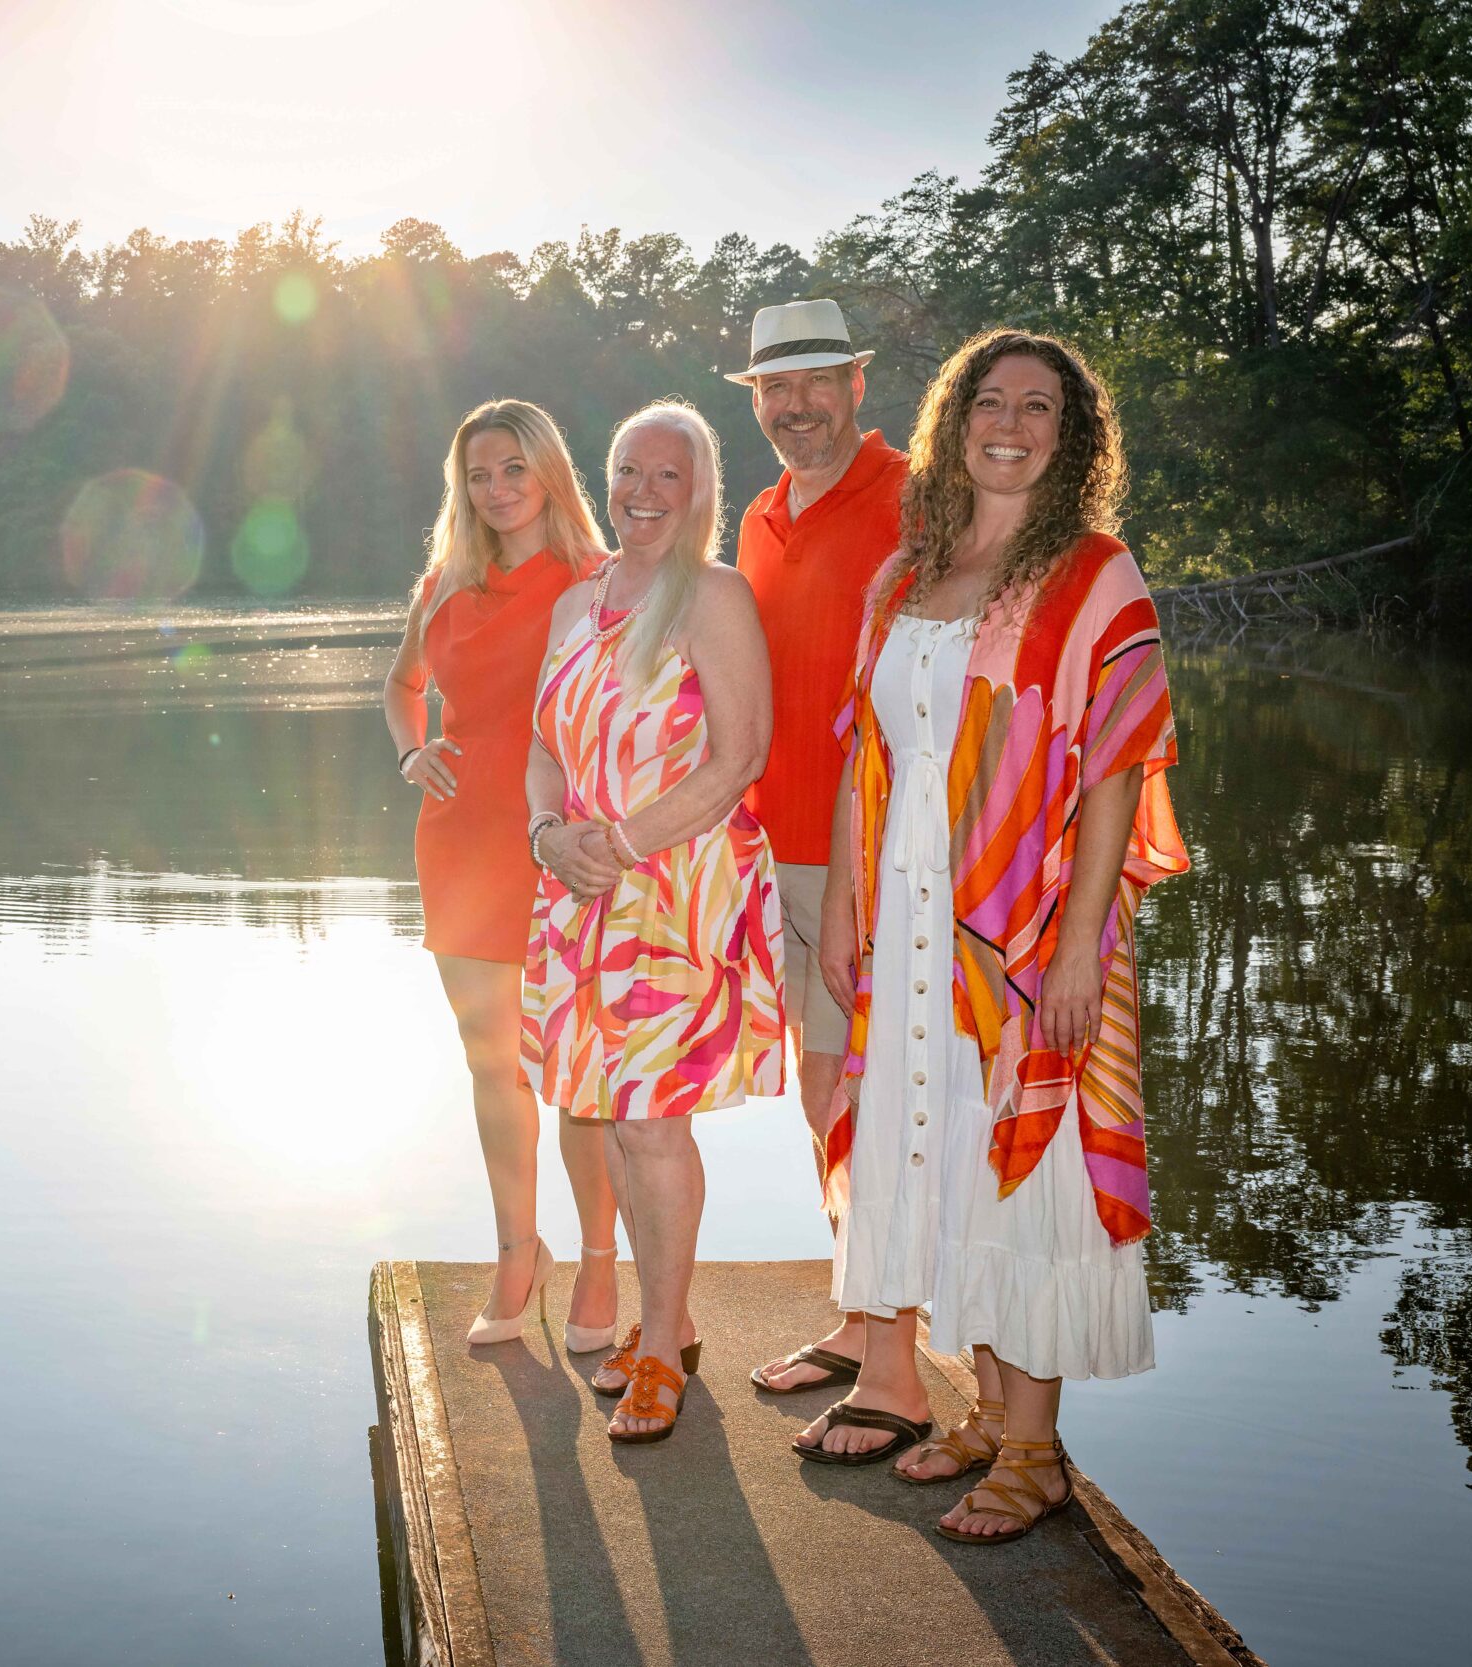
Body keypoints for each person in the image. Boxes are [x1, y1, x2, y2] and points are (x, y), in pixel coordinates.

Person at [789, 329, 1189, 1549]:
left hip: (1020, 924)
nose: (1009, 423)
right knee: (938, 1143)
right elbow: (872, 752)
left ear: (1070, 441)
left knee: (1029, 1156)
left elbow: (1118, 769)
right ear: (953, 422)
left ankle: (1036, 1447)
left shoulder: (1095, 571)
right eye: (989, 402)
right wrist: (847, 911)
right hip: (908, 916)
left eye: (1039, 408)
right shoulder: (902, 573)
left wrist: (1076, 948)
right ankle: (981, 1409)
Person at [521, 400, 786, 1442]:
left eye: (665, 475)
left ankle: (666, 1343)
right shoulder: (575, 604)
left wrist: (620, 846)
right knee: (617, 1121)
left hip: (673, 886)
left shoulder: (712, 596)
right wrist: (549, 834)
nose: (640, 491)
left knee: (649, 1120)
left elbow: (739, 755)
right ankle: (658, 1323)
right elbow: (543, 741)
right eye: (627, 470)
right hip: (580, 888)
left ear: (698, 490)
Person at [385, 399, 620, 1349]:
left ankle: (601, 1266)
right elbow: (403, 687)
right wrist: (413, 752)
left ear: (550, 474)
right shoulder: (445, 582)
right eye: (479, 474)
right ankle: (517, 1254)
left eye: (514, 469)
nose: (497, 489)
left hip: (560, 845)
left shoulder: (599, 580)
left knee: (580, 1069)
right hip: (459, 841)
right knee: (493, 1063)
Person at [723, 299, 911, 1400]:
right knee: (821, 1083)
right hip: (771, 853)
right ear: (755, 401)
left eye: (813, 384)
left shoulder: (912, 499)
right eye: (772, 390)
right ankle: (859, 1309)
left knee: (878, 1087)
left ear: (854, 384)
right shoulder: (756, 517)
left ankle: (884, 1332)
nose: (794, 408)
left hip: (875, 858)